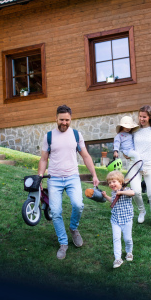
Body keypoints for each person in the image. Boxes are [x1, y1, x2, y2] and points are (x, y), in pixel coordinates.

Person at [38, 104, 100, 260]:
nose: (64, 123)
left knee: (78, 205)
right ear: (56, 118)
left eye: (67, 120)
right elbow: (44, 158)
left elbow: (85, 156)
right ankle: (63, 243)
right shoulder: (49, 136)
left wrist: (94, 174)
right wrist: (40, 176)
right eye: (61, 120)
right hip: (55, 179)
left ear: (71, 119)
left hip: (72, 177)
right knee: (56, 212)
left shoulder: (76, 135)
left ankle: (73, 228)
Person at [101, 170, 135, 269]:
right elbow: (113, 200)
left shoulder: (127, 189)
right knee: (116, 239)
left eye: (114, 181)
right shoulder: (113, 192)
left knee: (127, 239)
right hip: (115, 220)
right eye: (110, 182)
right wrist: (106, 196)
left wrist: (122, 192)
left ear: (120, 182)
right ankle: (117, 258)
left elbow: (132, 193)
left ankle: (129, 252)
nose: (111, 184)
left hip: (127, 219)